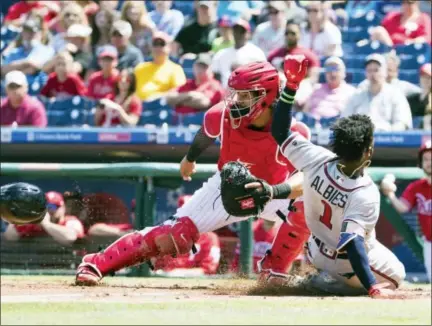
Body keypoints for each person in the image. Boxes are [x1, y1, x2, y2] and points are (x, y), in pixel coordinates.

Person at [75, 61, 311, 286]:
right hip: (227, 185)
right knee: (175, 233)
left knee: (311, 206)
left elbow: (306, 178)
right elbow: (204, 135)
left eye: (246, 95)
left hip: (276, 189)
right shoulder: (221, 115)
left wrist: (273, 191)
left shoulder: (294, 129)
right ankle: (96, 264)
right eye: (237, 93)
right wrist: (190, 159)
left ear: (267, 97)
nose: (237, 100)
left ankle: (276, 270)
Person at [271, 54, 406, 298]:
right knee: (398, 275)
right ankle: (328, 284)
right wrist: (372, 287)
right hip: (344, 261)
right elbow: (352, 243)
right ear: (368, 151)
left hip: (314, 251)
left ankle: (322, 277)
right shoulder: (365, 191)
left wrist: (290, 87)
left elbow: (279, 131)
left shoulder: (316, 157)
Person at [380, 141, 431, 283]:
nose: (429, 163)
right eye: (426, 159)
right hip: (429, 242)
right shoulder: (417, 187)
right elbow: (403, 207)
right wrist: (390, 194)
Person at [342, 54, 412, 131]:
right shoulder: (356, 95)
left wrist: (388, 134)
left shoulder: (396, 94)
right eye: (369, 70)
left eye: (376, 70)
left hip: (388, 139)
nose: (373, 74)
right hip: (361, 139)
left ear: (385, 72)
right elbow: (344, 121)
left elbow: (402, 123)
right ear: (366, 73)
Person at [3, 191, 84, 246]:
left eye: (53, 206)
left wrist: (47, 224)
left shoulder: (71, 221)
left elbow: (70, 237)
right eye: (45, 207)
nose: (49, 210)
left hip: (70, 266)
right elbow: (9, 237)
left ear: (63, 208)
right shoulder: (35, 224)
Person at [211, 18, 266, 87]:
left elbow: (262, 75)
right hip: (227, 93)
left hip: (249, 92)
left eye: (241, 31)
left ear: (248, 33)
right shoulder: (221, 54)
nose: (238, 33)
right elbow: (215, 74)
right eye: (235, 30)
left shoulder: (256, 52)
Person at [135, 32, 186, 101]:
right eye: (155, 44)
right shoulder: (140, 67)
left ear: (169, 47)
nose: (158, 48)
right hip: (138, 106)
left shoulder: (175, 69)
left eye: (162, 44)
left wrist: (158, 97)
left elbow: (178, 91)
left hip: (159, 107)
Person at [267, 21, 320, 85]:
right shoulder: (274, 54)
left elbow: (313, 79)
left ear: (300, 34)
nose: (289, 36)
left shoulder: (309, 55)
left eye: (293, 33)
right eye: (287, 33)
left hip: (300, 89)